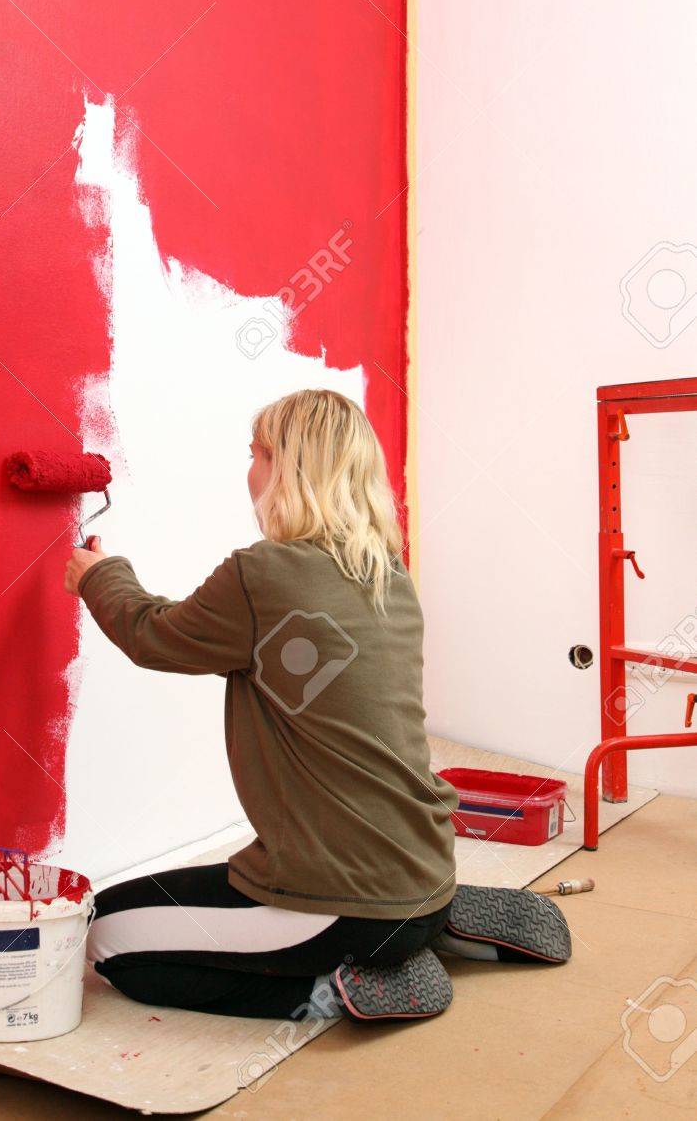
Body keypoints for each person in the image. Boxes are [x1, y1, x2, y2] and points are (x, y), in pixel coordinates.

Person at [64, 389, 569, 1023]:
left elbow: (153, 634)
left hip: (340, 906)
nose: (247, 468)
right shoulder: (387, 570)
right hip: (423, 870)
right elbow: (215, 630)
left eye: (255, 453)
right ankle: (435, 924)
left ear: (285, 466)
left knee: (107, 938)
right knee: (161, 913)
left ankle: (343, 983)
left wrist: (98, 574)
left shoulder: (263, 573)